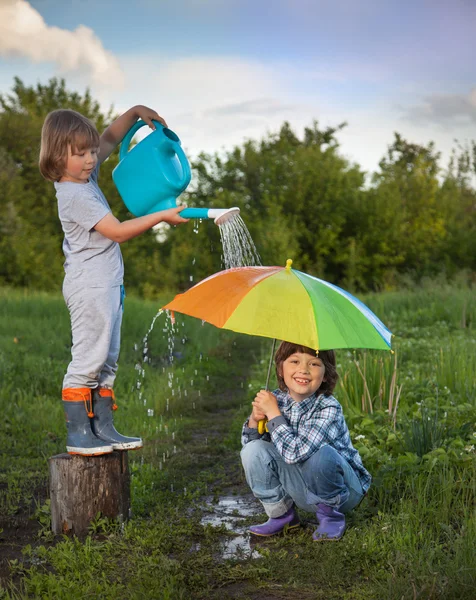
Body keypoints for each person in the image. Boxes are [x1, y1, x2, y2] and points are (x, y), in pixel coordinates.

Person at [39, 106, 188, 456]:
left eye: (91, 152)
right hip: (89, 286)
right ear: (58, 156)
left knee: (107, 360)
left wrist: (135, 113)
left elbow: (108, 138)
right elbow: (117, 232)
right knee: (89, 359)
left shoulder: (83, 177)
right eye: (82, 154)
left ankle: (103, 428)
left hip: (106, 285)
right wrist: (161, 215)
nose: (92, 159)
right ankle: (79, 434)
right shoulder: (74, 195)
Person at [241, 341, 371, 541]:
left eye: (314, 364)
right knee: (253, 450)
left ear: (326, 374)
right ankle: (283, 516)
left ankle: (331, 517)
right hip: (302, 487)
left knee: (322, 456)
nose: (303, 370)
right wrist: (255, 419)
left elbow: (295, 452)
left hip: (342, 491)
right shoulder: (276, 400)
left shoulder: (328, 407)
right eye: (294, 361)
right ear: (280, 369)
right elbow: (251, 445)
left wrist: (274, 415)